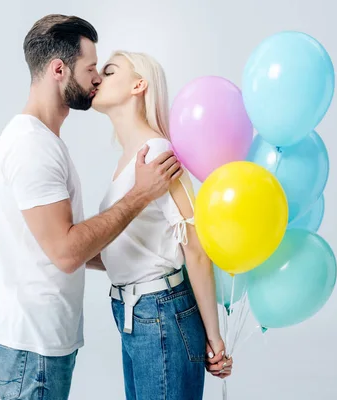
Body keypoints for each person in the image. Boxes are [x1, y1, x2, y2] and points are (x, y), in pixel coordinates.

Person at [0, 15, 184, 400]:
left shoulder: (41, 141)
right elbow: (66, 251)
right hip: (33, 350)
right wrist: (141, 194)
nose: (97, 78)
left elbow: (54, 244)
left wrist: (139, 260)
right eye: (91, 68)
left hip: (34, 345)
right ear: (59, 69)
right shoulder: (32, 148)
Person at [90, 51, 233, 400]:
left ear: (139, 85)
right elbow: (124, 250)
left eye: (109, 71)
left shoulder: (158, 153)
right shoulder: (128, 161)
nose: (97, 77)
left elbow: (196, 250)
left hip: (161, 313)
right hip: (134, 312)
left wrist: (214, 338)